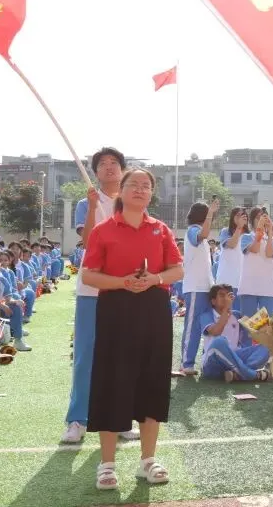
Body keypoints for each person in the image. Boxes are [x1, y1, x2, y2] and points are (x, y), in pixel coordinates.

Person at [81, 168, 184, 490]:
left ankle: (148, 460)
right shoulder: (103, 230)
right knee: (112, 381)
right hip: (116, 310)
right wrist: (123, 283)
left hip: (154, 309)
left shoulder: (161, 230)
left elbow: (177, 269)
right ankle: (107, 464)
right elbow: (89, 275)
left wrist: (154, 279)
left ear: (152, 194)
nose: (140, 190)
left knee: (152, 381)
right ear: (121, 192)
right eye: (133, 185)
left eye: (146, 186)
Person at [62, 147, 138, 444]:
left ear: (122, 169)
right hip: (92, 289)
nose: (109, 167)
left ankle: (119, 418)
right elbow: (87, 240)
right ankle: (77, 420)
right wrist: (94, 207)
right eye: (103, 164)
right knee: (85, 357)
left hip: (123, 289)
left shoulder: (133, 204)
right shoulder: (86, 203)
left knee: (121, 357)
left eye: (114, 163)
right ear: (95, 172)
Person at [179, 200, 219, 376]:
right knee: (192, 326)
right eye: (209, 215)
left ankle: (206, 360)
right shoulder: (192, 230)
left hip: (206, 287)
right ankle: (186, 363)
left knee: (207, 325)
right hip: (195, 287)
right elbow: (203, 233)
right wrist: (210, 213)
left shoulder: (201, 236)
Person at [200, 283, 271, 382]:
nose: (226, 298)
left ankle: (237, 375)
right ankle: (251, 374)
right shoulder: (206, 315)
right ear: (213, 301)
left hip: (236, 356)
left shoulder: (237, 315)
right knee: (220, 341)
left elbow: (255, 330)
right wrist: (226, 309)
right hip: (212, 362)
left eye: (229, 295)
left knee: (267, 347)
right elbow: (216, 331)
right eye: (222, 295)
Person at [238, 208, 273, 319]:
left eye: (263, 217)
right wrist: (259, 230)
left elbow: (269, 253)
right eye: (258, 217)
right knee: (248, 325)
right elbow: (255, 248)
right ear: (252, 221)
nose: (261, 219)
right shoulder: (246, 237)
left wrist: (270, 231)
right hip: (249, 287)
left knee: (269, 326)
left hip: (268, 287)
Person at [216, 207, 248, 311]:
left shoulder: (248, 235)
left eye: (243, 216)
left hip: (243, 282)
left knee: (240, 315)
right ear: (232, 218)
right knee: (226, 312)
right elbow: (232, 244)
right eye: (237, 215)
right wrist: (239, 228)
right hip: (227, 280)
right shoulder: (225, 231)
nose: (240, 218)